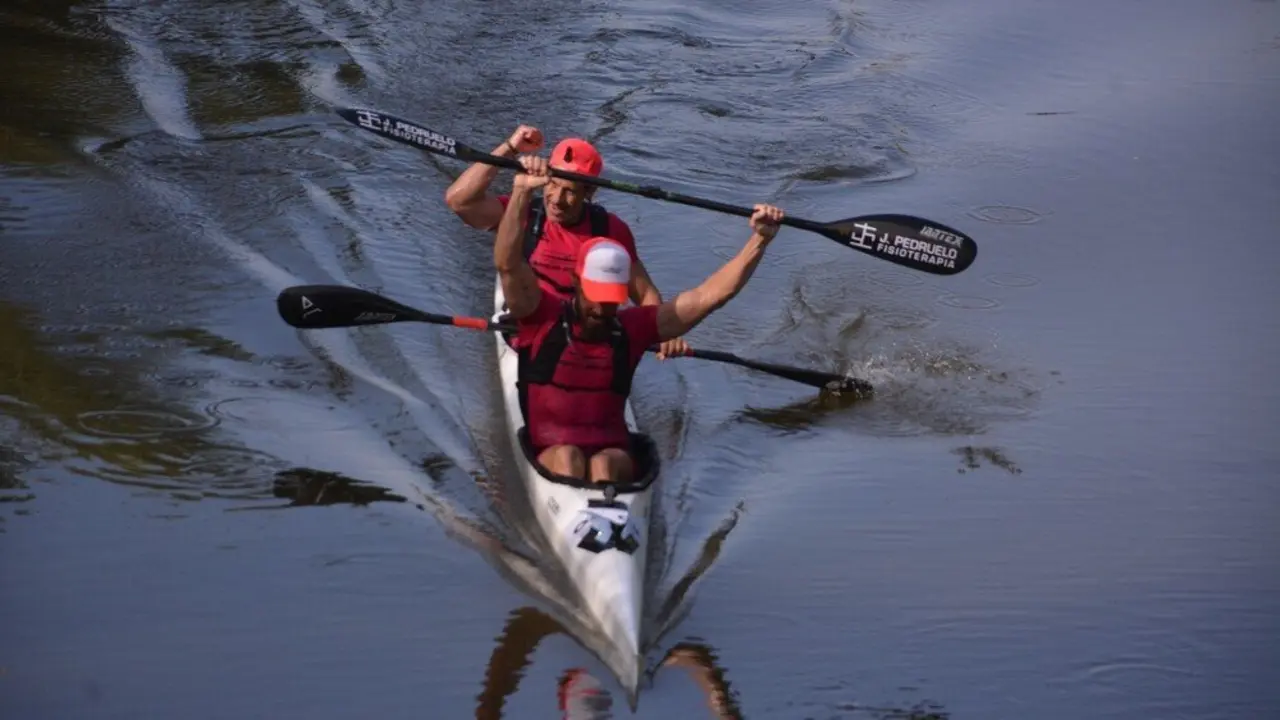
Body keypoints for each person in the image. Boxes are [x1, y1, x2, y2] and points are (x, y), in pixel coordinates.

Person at [495, 153, 784, 485]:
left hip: (614, 458)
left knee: (603, 466)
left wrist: (759, 240)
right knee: (568, 457)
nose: (602, 308)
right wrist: (519, 192)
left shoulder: (632, 328)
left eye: (610, 298)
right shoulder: (539, 315)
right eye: (595, 295)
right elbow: (508, 264)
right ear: (576, 284)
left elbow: (709, 296)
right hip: (552, 452)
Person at [443, 123, 688, 359]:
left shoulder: (610, 230)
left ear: (589, 192)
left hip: (587, 335)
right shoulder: (524, 214)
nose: (556, 199)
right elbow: (459, 200)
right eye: (552, 184)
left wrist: (664, 332)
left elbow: (646, 296)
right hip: (529, 329)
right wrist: (510, 147)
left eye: (569, 191)